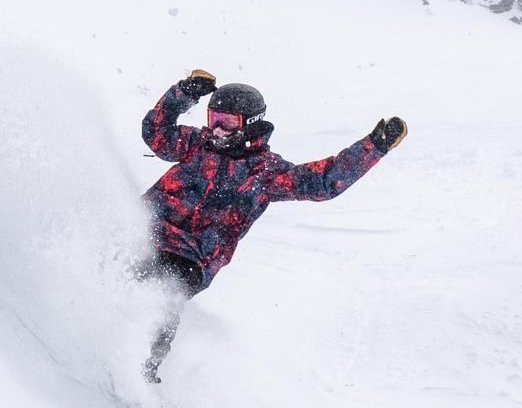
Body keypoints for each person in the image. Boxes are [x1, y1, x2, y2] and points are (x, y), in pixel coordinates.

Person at [136, 69, 408, 383]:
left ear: (249, 124)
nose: (218, 130)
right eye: (214, 119)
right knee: (113, 258)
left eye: (228, 123)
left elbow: (322, 182)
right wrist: (184, 93)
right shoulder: (197, 144)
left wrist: (373, 147)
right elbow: (155, 133)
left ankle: (141, 369)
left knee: (164, 291)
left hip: (191, 256)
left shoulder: (264, 172)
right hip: (145, 231)